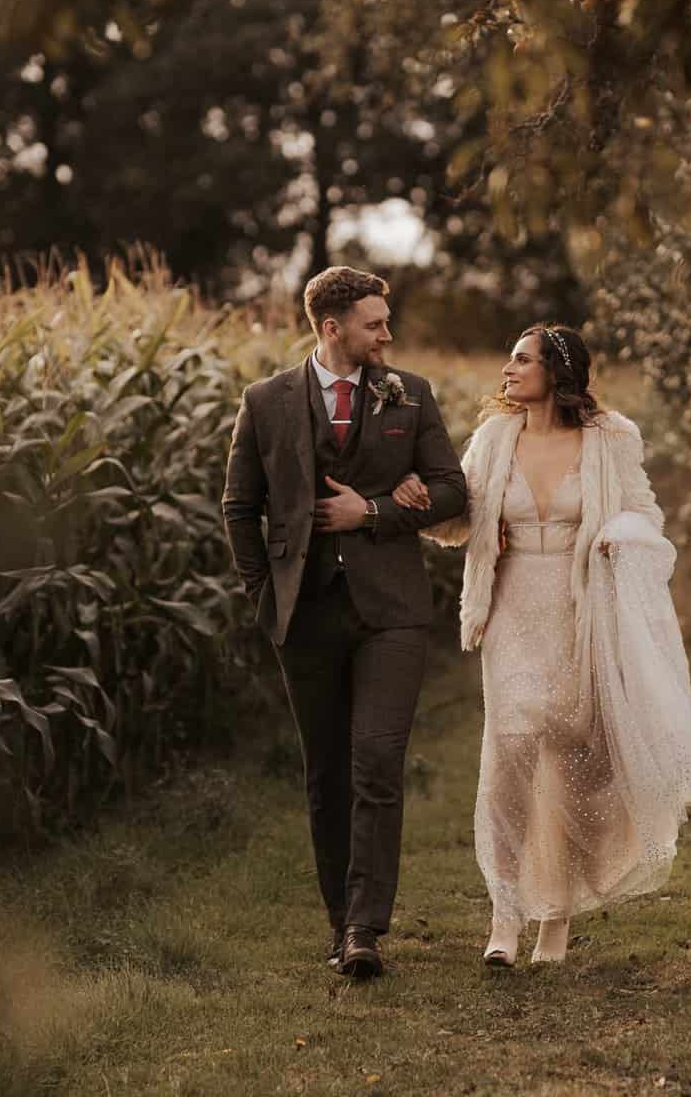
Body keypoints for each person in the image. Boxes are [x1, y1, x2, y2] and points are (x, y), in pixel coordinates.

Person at [403, 324, 691, 965]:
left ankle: (555, 921)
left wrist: (615, 537)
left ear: (556, 373)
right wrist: (420, 503)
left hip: (578, 611)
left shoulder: (609, 440)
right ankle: (505, 917)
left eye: (522, 359)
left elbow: (645, 515)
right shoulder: (494, 438)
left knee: (566, 759)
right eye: (509, 356)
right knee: (511, 753)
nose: (508, 368)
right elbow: (461, 521)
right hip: (511, 612)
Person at [221, 266, 467, 979]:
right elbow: (240, 508)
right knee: (326, 773)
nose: (387, 334)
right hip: (304, 615)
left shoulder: (408, 393)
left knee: (378, 763)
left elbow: (452, 489)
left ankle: (366, 926)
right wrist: (265, 597)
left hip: (391, 614)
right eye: (374, 323)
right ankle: (341, 925)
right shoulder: (265, 402)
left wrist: (379, 511)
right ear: (332, 329)